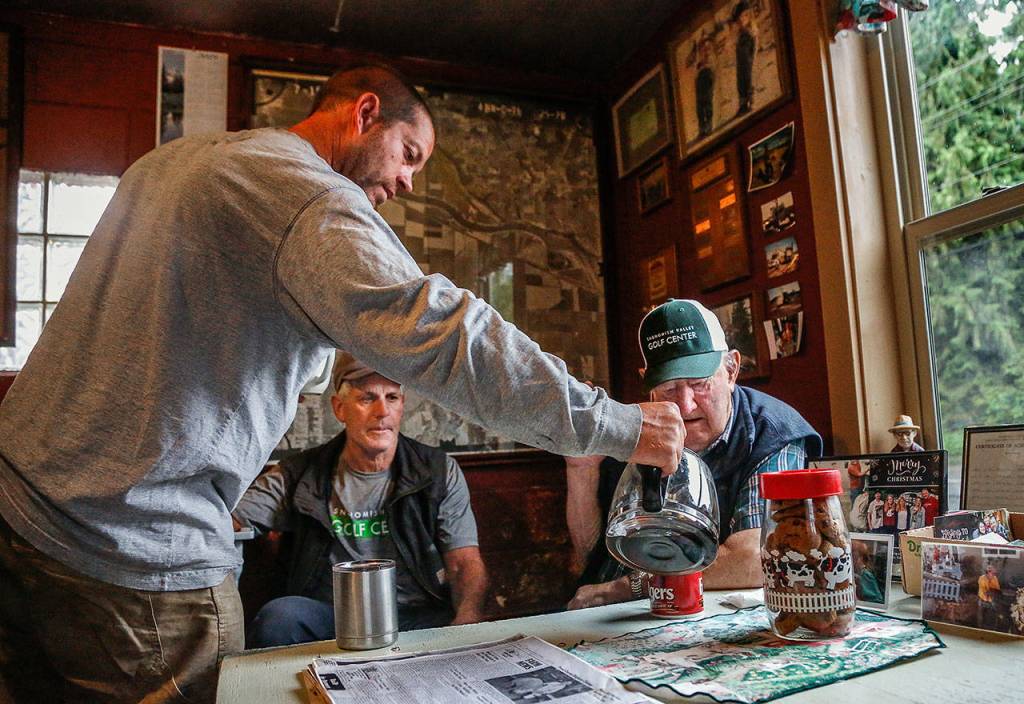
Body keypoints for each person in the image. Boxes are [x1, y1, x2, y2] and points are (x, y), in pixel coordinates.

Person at [0, 64, 686, 703]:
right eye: (410, 154)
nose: (411, 182)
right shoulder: (305, 194)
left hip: (18, 508)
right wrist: (616, 426)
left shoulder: (171, 163)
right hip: (133, 554)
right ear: (365, 114)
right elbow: (444, 333)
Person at [565, 299, 822, 608]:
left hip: (690, 615)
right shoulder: (636, 428)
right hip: (599, 613)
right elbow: (588, 556)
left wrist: (629, 587)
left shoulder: (773, 434)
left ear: (731, 370)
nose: (685, 405)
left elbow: (755, 558)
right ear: (648, 381)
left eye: (699, 384)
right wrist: (581, 470)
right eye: (669, 389)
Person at [235, 352, 487, 647]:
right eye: (367, 398)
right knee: (279, 617)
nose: (382, 411)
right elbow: (233, 518)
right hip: (332, 618)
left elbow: (463, 562)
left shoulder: (438, 471)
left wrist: (468, 618)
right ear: (340, 408)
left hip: (413, 614)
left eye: (392, 397)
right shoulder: (300, 474)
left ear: (402, 406)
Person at [732, 1, 757, 116]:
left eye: (743, 16)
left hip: (747, 62)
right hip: (741, 63)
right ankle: (743, 103)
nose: (741, 20)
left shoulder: (749, 33)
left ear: (748, 16)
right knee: (740, 82)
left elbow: (753, 48)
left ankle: (749, 102)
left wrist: (752, 59)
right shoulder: (741, 34)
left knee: (748, 80)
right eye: (739, 18)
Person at [977, 563, 1000, 630]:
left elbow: (997, 589)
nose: (994, 575)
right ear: (988, 573)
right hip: (982, 598)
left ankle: (992, 628)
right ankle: (979, 628)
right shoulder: (981, 578)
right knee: (980, 614)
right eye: (993, 573)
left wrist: (994, 592)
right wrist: (992, 591)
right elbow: (986, 592)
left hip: (991, 600)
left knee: (993, 614)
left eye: (995, 573)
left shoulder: (995, 578)